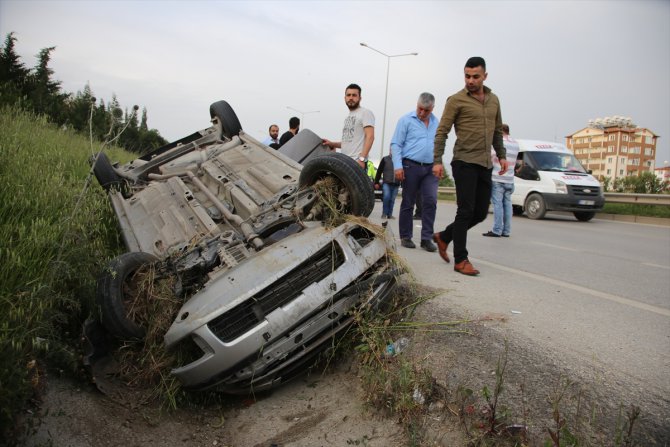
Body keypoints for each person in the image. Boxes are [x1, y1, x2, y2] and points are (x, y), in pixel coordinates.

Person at [432, 57, 508, 276]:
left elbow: (496, 131)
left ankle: (444, 237)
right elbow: (442, 132)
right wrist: (437, 161)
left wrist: (501, 155)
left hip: (485, 163)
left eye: (475, 76)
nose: (471, 80)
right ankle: (461, 259)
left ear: (485, 76)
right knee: (465, 210)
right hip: (464, 161)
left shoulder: (494, 100)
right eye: (467, 76)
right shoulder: (456, 100)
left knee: (481, 213)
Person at [391, 92, 439, 252]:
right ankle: (406, 236)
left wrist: (439, 163)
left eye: (426, 110)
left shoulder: (436, 122)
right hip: (410, 166)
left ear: (432, 108)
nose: (422, 113)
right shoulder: (405, 120)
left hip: (430, 168)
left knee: (430, 201)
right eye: (420, 109)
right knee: (408, 201)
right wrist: (398, 166)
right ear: (417, 105)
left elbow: (439, 144)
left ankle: (426, 238)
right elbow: (396, 144)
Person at [322, 83, 375, 169]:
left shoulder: (365, 113)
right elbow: (348, 143)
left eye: (354, 95)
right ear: (345, 98)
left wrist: (362, 159)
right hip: (345, 162)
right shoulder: (348, 117)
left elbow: (370, 137)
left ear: (360, 98)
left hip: (356, 163)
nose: (351, 98)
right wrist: (332, 144)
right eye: (348, 95)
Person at [483, 124, 519, 238]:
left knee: (497, 205)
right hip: (510, 178)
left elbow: (492, 157)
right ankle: (506, 230)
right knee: (507, 204)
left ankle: (497, 229)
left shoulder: (498, 143)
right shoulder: (515, 143)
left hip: (497, 177)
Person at [374, 151, 400, 220]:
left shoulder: (400, 160)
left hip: (396, 184)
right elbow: (379, 171)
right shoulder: (385, 159)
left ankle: (390, 215)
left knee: (392, 200)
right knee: (386, 197)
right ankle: (384, 213)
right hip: (386, 183)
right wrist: (376, 182)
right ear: (390, 150)